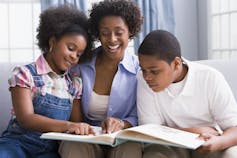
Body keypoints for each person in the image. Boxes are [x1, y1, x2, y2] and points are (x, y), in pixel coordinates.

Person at [0, 5, 94, 158]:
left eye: (79, 54)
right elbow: (26, 118)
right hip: (16, 144)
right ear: (52, 41)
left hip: (48, 151)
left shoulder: (74, 84)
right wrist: (68, 126)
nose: (74, 57)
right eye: (70, 48)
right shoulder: (25, 74)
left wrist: (82, 128)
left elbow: (76, 122)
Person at [59, 0, 143, 158]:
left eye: (119, 32)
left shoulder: (140, 69)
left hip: (122, 137)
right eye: (105, 33)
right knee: (74, 146)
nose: (112, 39)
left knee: (131, 148)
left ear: (130, 32)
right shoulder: (80, 65)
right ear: (98, 34)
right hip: (87, 137)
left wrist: (122, 123)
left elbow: (143, 113)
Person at [137, 29, 237, 158]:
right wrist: (196, 131)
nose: (147, 77)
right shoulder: (143, 79)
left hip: (207, 141)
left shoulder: (210, 77)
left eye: (154, 71)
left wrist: (218, 142)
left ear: (177, 63)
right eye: (143, 69)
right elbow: (150, 131)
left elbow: (234, 128)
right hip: (167, 144)